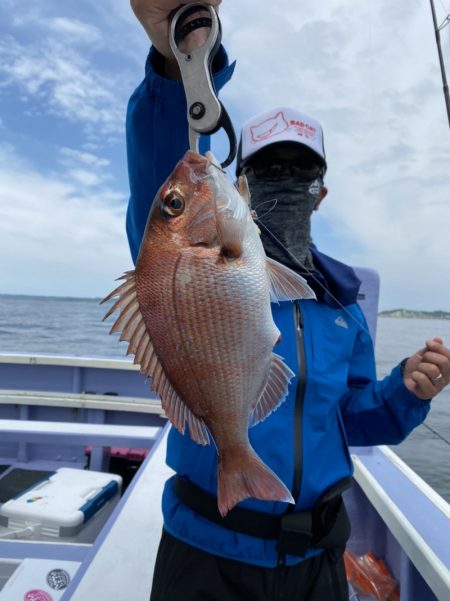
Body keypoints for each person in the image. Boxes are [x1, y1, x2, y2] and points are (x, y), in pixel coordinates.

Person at [126, 2, 450, 600]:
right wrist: (177, 66)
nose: (284, 179)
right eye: (267, 166)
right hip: (205, 554)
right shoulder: (183, 252)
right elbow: (158, 173)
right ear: (241, 180)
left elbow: (351, 419)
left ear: (321, 192)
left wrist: (406, 391)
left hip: (316, 560)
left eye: (299, 170)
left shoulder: (342, 304)